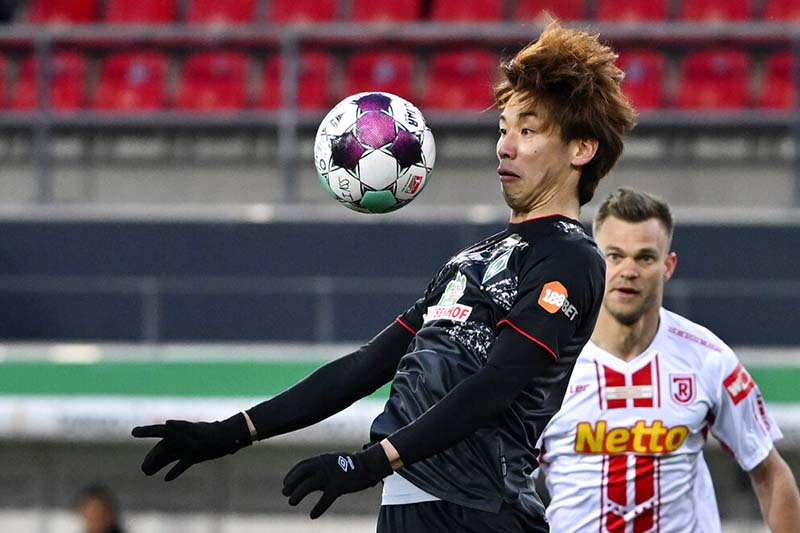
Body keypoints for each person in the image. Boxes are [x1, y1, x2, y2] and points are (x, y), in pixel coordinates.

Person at [131, 20, 635, 532]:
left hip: (481, 511)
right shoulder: (471, 261)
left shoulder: (570, 258)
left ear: (581, 149)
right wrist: (233, 432)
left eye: (528, 131)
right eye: (503, 129)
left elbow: (498, 384)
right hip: (407, 508)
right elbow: (369, 364)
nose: (505, 147)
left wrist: (370, 461)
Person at [538, 187, 800, 532]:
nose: (628, 270)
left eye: (645, 257)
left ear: (668, 266)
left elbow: (770, 473)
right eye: (614, 256)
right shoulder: (545, 365)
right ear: (593, 260)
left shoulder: (709, 359)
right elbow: (501, 483)